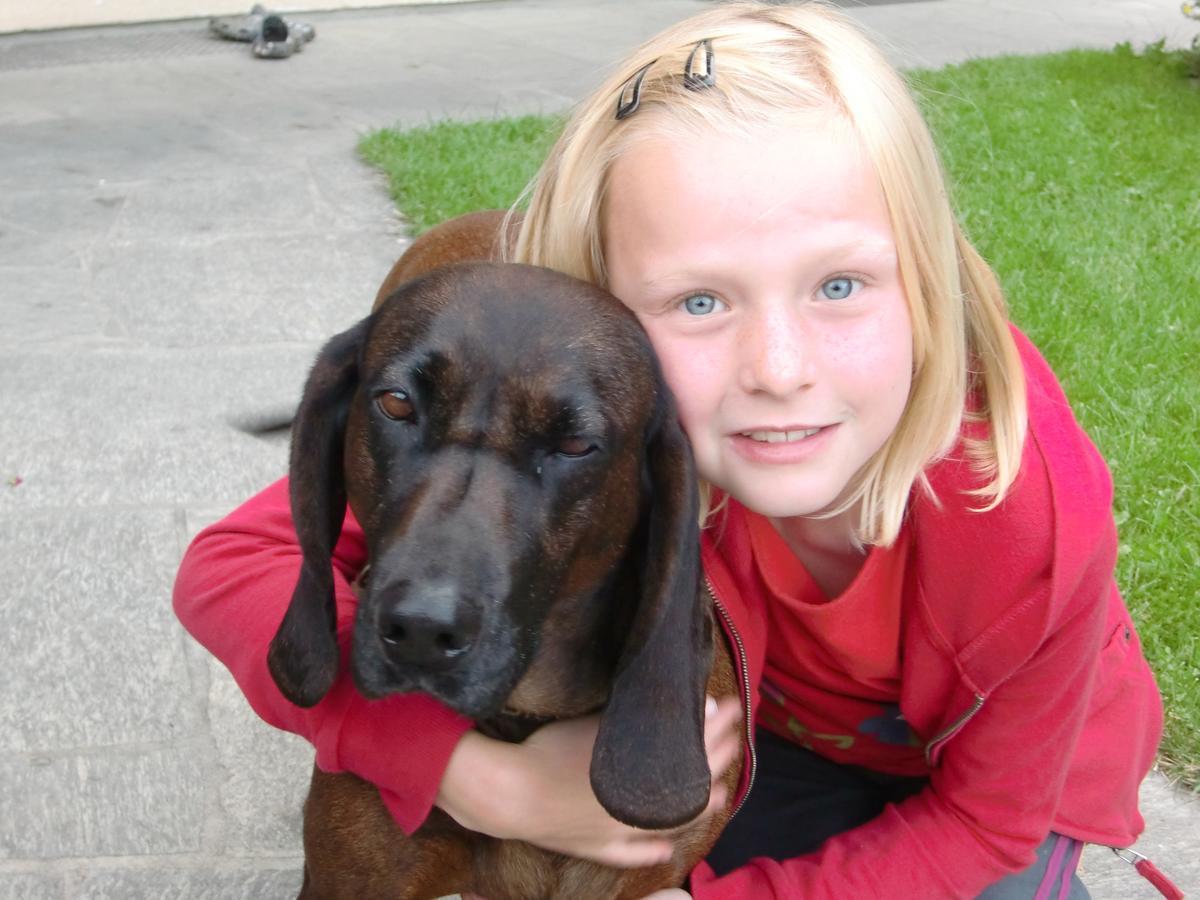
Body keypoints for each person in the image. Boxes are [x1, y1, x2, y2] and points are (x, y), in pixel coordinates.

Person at [173, 2, 1165, 896]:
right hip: (763, 735)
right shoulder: (608, 416)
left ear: (927, 280)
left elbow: (985, 824)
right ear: (609, 324)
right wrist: (480, 781)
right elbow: (233, 565)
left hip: (990, 787)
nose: (778, 369)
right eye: (699, 300)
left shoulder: (1020, 513)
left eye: (840, 286)